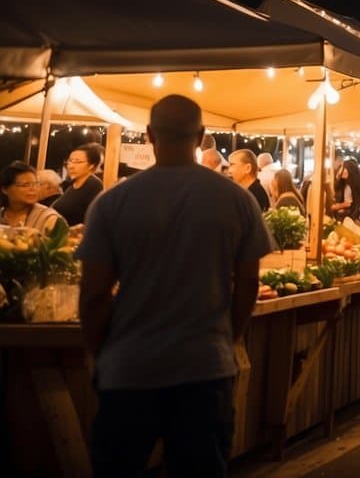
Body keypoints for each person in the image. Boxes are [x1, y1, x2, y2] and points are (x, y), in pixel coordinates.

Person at [76, 95, 274, 476]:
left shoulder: (112, 202)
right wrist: (228, 337)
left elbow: (95, 293)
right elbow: (248, 284)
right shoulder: (236, 201)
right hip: (205, 368)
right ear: (201, 136)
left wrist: (99, 353)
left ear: (149, 134)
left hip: (129, 368)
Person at [1, 162, 64, 231]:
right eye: (25, 185)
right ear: (5, 189)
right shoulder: (2, 214)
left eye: (35, 184)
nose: (32, 189)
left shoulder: (48, 218)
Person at [53, 143, 104, 227]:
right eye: (70, 161)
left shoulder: (93, 185)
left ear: (91, 165)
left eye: (77, 162)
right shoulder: (72, 184)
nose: (71, 166)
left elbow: (93, 219)